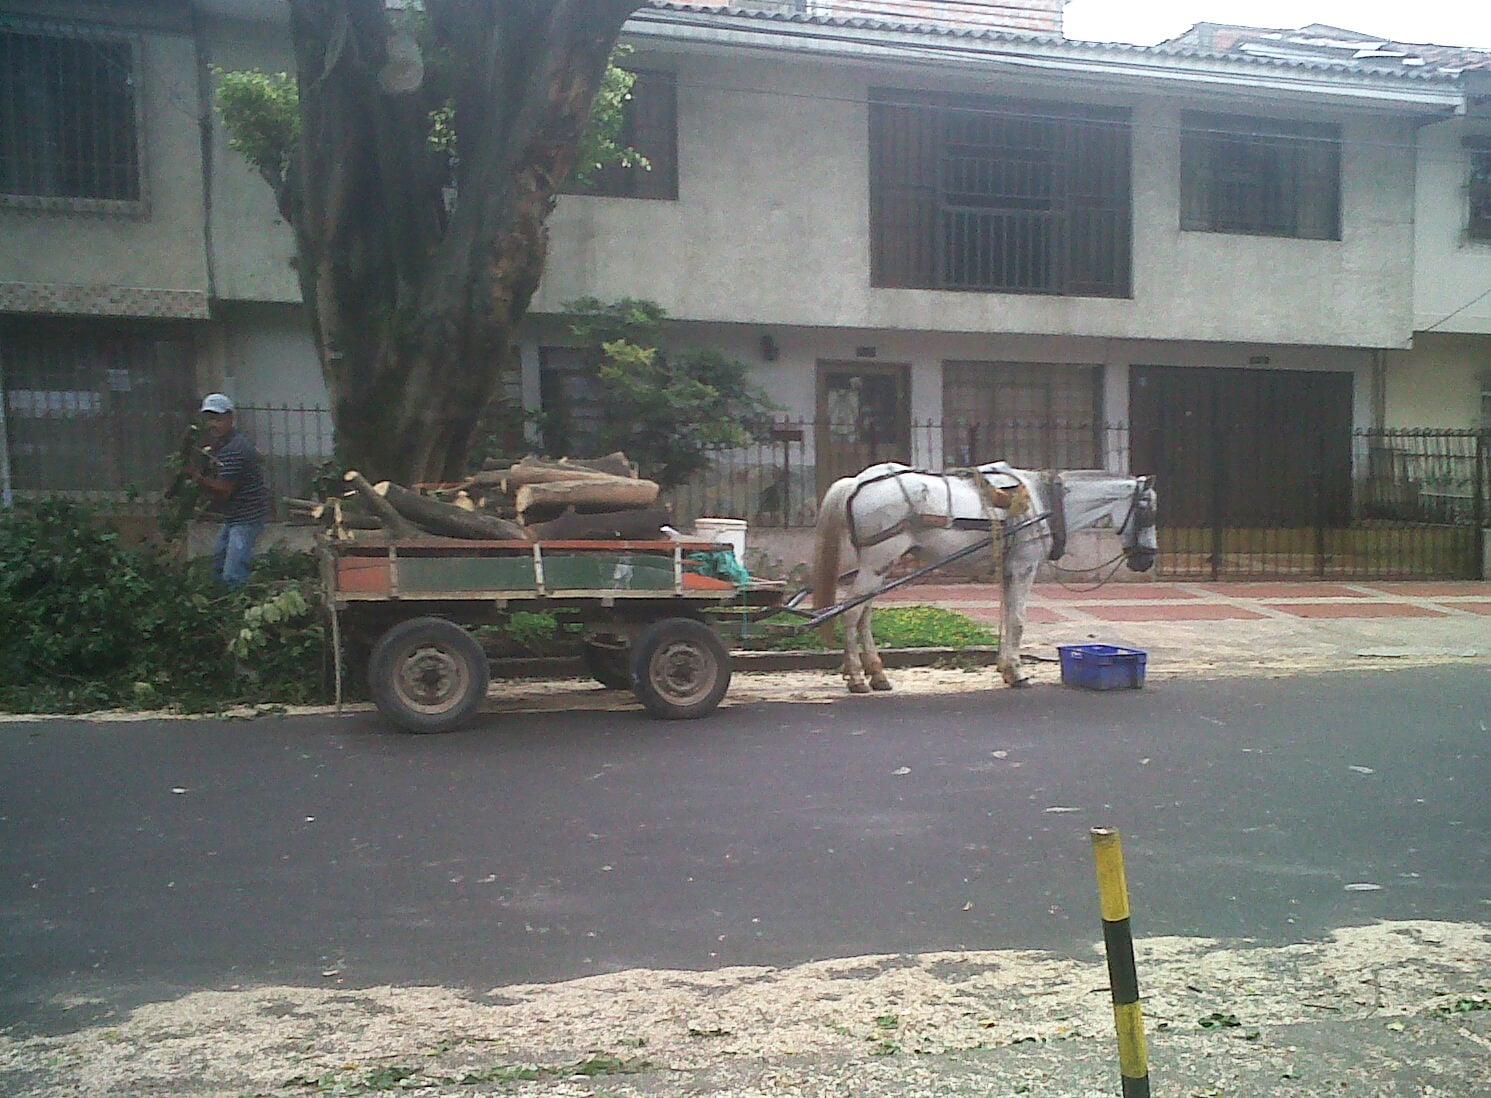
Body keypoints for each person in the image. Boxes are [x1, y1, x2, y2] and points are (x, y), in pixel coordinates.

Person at [190, 393, 269, 587]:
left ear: (230, 418)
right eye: (209, 419)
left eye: (218, 419)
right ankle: (221, 604)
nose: (213, 424)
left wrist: (197, 477)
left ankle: (236, 609)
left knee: (233, 574)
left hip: (246, 518)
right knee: (218, 563)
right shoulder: (224, 444)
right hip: (234, 517)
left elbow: (225, 489)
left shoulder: (234, 448)